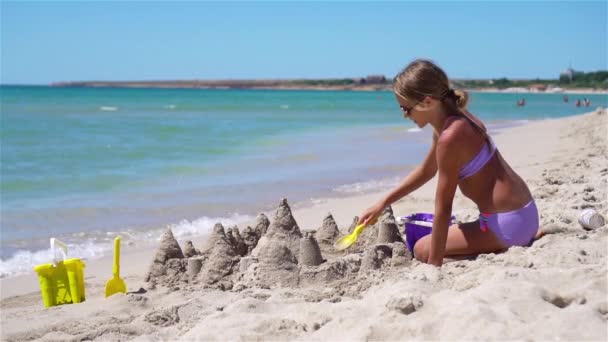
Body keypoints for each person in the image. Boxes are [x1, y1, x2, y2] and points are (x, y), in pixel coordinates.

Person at [358, 59, 539, 267]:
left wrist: (434, 264)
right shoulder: (455, 118)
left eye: (406, 108)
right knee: (431, 243)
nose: (404, 115)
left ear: (427, 102)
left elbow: (444, 206)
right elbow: (427, 171)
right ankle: (511, 240)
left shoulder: (450, 137)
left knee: (421, 249)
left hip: (508, 224)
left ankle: (501, 247)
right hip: (525, 214)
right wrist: (382, 203)